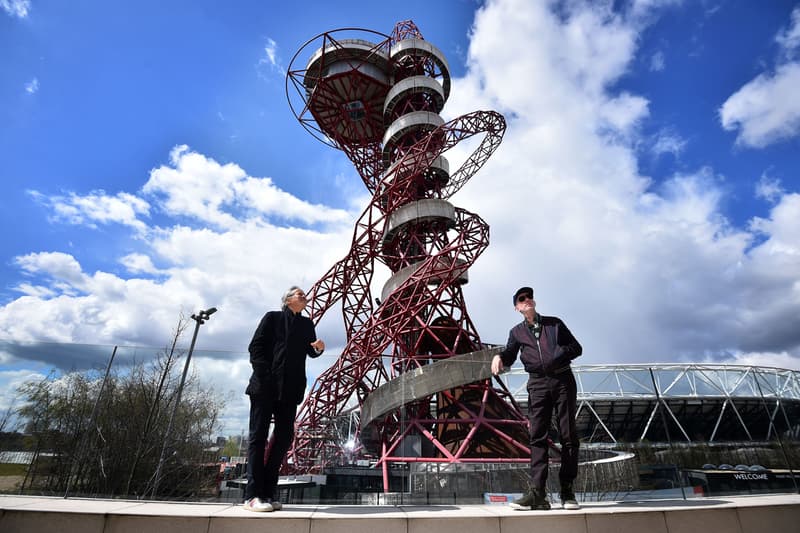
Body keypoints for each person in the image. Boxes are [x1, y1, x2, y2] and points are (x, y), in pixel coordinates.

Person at [491, 286, 582, 510]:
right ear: (517, 307)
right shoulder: (516, 332)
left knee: (568, 435)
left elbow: (576, 348)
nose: (527, 300)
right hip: (538, 384)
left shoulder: (555, 323)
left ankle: (567, 491)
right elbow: (510, 354)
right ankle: (537, 494)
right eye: (522, 299)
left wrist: (556, 358)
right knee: (537, 437)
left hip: (562, 381)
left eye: (529, 296)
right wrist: (499, 356)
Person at [243, 286, 325, 512]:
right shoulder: (272, 318)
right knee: (257, 438)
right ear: (288, 300)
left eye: (304, 295)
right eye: (299, 294)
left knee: (283, 439)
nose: (304, 296)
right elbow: (255, 348)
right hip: (265, 387)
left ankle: (267, 493)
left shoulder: (307, 324)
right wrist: (264, 375)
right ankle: (252, 495)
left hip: (290, 390)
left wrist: (319, 349)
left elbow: (310, 351)